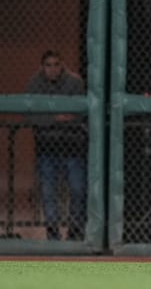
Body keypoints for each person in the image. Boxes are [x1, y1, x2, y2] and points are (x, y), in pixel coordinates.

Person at [25, 50, 87, 241]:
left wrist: (63, 118)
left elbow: (81, 112)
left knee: (77, 189)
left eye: (56, 65)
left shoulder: (75, 82)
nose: (53, 69)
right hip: (47, 145)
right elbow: (30, 114)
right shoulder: (34, 83)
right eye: (48, 65)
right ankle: (52, 231)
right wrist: (54, 118)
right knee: (48, 190)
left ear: (62, 65)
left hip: (72, 144)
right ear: (42, 67)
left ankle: (75, 229)